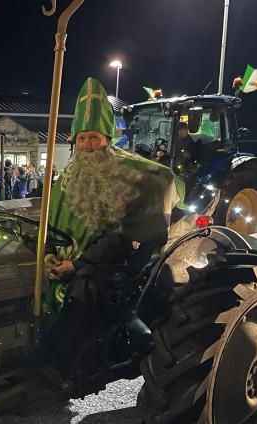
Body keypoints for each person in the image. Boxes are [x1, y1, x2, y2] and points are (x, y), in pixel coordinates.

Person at [35, 77, 177, 384]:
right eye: (82, 138)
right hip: (64, 259)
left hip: (110, 263)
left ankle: (59, 365)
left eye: (94, 138)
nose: (87, 146)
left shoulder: (130, 179)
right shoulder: (65, 180)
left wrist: (76, 264)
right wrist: (47, 253)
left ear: (107, 139)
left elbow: (123, 239)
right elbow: (50, 223)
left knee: (86, 284)